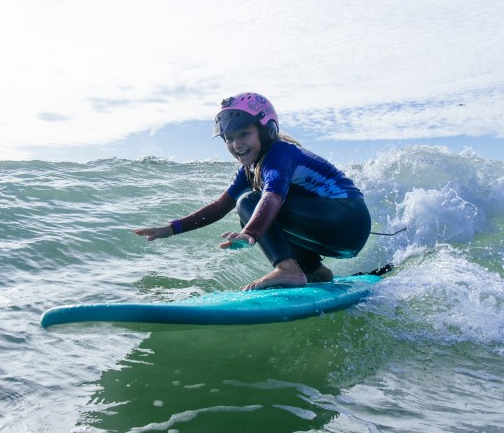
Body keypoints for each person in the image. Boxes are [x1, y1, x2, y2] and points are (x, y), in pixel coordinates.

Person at [134, 92, 371, 291]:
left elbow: (273, 196)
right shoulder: (250, 170)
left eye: (244, 134)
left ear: (267, 131)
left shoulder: (280, 154)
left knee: (249, 202)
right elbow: (218, 208)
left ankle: (287, 270)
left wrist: (250, 232)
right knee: (253, 205)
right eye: (229, 138)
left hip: (347, 219)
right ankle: (314, 272)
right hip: (342, 230)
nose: (236, 145)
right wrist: (172, 228)